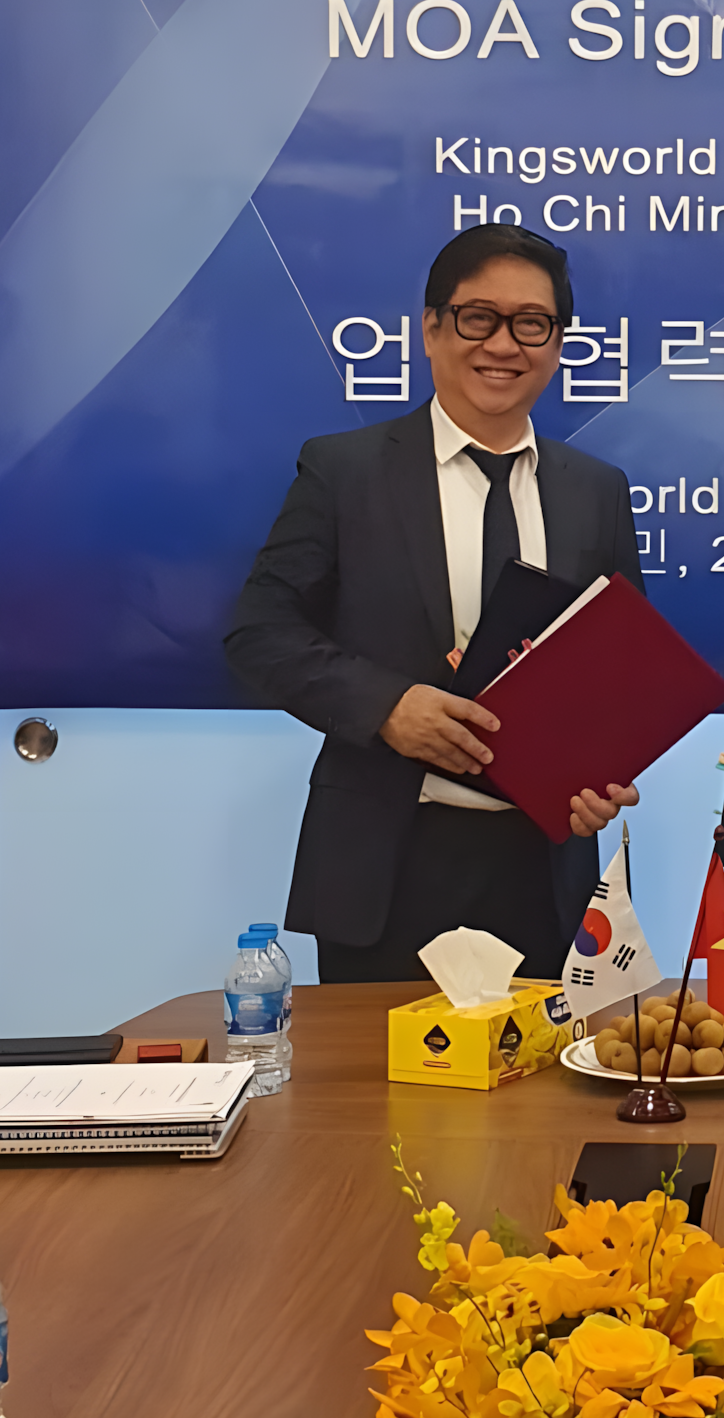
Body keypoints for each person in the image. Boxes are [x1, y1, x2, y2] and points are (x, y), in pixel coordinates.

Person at [225, 226, 641, 983]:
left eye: (532, 324)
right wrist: (388, 706)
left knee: (547, 1102)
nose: (504, 345)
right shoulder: (344, 472)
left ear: (557, 343)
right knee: (380, 1098)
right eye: (479, 317)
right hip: (387, 863)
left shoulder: (597, 491)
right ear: (431, 327)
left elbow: (617, 672)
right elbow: (260, 632)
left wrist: (600, 778)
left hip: (544, 873)